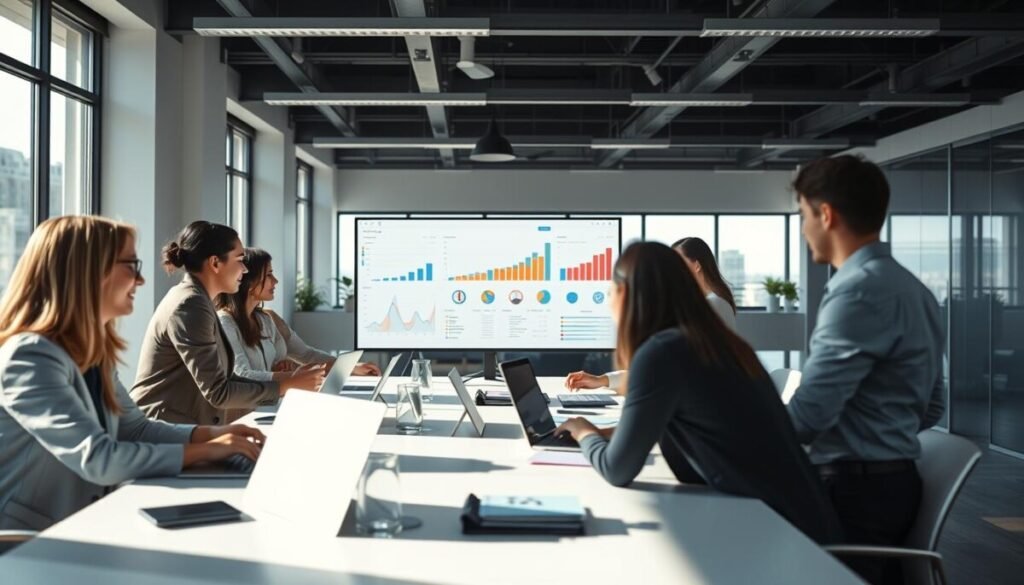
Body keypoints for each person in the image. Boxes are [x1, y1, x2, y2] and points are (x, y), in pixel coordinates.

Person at [554, 242, 841, 545]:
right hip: (793, 522)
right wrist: (607, 431)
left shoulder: (665, 351)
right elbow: (675, 439)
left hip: (789, 542)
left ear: (625, 294)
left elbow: (617, 469)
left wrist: (583, 430)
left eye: (609, 291)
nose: (608, 300)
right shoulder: (712, 343)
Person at [0, 216, 264, 530]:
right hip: (30, 543)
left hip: (82, 524)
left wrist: (213, 434)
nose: (140, 280)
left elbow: (135, 430)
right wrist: (204, 451)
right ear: (89, 271)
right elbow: (98, 458)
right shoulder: (29, 357)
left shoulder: (90, 352)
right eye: (130, 265)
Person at [787, 155, 945, 584]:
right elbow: (932, 410)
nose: (803, 229)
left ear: (825, 214)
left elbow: (807, 419)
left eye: (803, 215)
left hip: (852, 494)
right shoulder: (914, 289)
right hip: (890, 488)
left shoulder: (857, 293)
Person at [131, 221, 311, 425]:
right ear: (215, 263)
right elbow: (218, 391)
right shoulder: (191, 305)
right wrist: (284, 385)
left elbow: (225, 379)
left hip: (178, 426)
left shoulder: (198, 300)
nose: (244, 270)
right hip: (161, 432)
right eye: (240, 260)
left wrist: (287, 382)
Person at [564, 236, 736, 393]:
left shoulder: (713, 305)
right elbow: (660, 369)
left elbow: (661, 371)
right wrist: (602, 380)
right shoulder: (706, 306)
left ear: (697, 265)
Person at [216, 248, 379, 386]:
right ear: (249, 282)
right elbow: (241, 375)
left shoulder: (265, 319)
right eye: (269, 275)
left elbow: (306, 355)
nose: (276, 281)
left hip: (270, 402)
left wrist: (351, 367)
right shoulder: (225, 322)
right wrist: (291, 377)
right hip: (244, 412)